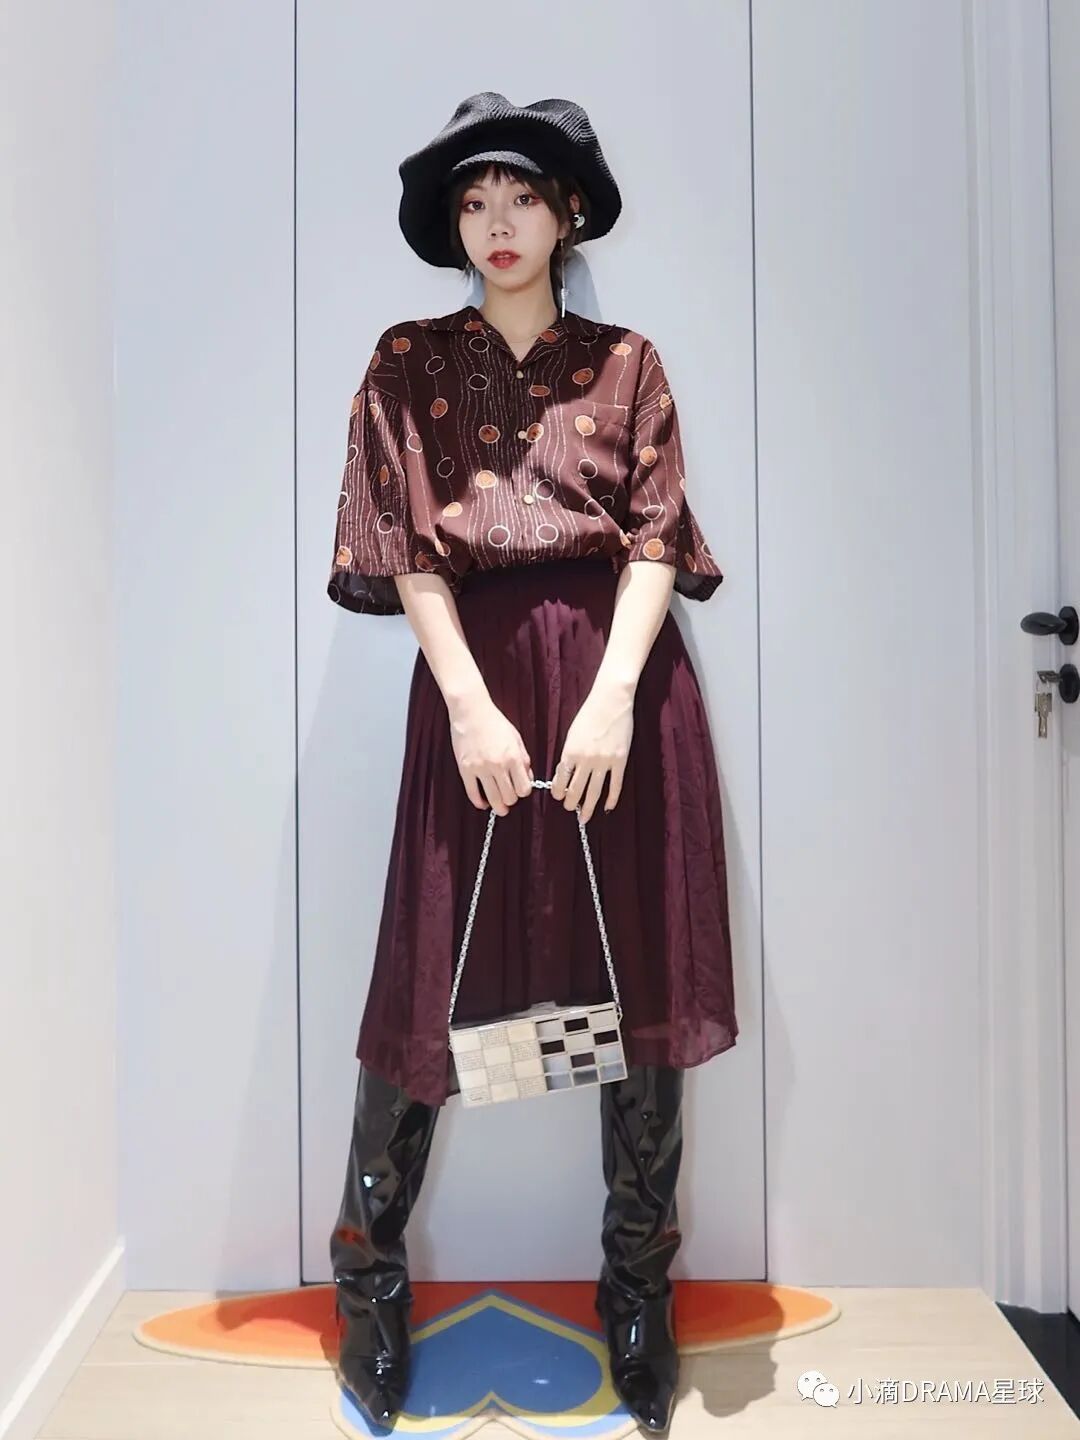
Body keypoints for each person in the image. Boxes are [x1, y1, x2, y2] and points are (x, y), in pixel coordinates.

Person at [326, 92, 738, 1435]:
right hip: (476, 690)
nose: (497, 223)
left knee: (638, 976)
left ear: (566, 214)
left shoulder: (626, 363)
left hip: (621, 684)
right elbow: (406, 548)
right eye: (473, 201)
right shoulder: (408, 360)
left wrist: (614, 700)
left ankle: (638, 1291)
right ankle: (369, 1283)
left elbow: (655, 537)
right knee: (428, 974)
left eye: (520, 197)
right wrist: (470, 705)